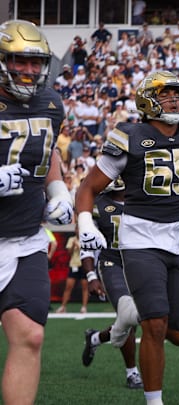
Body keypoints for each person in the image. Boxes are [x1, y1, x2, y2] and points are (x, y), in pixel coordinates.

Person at [75, 70, 179, 405]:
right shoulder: (128, 135)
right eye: (164, 95)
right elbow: (89, 187)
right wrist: (85, 220)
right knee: (155, 324)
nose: (173, 100)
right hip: (141, 238)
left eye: (176, 94)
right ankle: (154, 400)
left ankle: (135, 317)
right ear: (147, 101)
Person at [0, 20, 73, 405]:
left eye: (35, 62)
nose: (29, 71)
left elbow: (49, 154)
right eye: (19, 61)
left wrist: (58, 190)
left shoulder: (50, 102)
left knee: (30, 336)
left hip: (25, 238)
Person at [80, 179, 144, 389]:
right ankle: (132, 373)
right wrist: (91, 276)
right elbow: (87, 244)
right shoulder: (97, 204)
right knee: (128, 314)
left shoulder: (144, 199)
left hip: (142, 263)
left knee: (147, 317)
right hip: (112, 263)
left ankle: (96, 338)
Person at [55, 234, 89, 313]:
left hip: (84, 265)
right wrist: (74, 245)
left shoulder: (86, 239)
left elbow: (88, 252)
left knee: (85, 287)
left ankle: (84, 307)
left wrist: (79, 246)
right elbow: (69, 253)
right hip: (74, 265)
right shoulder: (72, 239)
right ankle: (63, 307)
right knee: (68, 286)